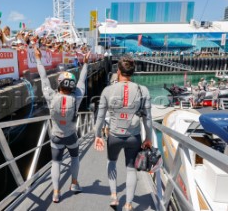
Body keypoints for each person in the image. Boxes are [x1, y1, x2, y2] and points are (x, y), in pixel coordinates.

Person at [94, 55, 152, 210]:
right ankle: (128, 204)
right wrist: (149, 138)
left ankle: (114, 196)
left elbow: (100, 117)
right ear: (133, 72)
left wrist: (97, 136)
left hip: (114, 135)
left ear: (118, 71)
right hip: (134, 136)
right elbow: (148, 119)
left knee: (111, 162)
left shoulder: (107, 90)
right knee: (131, 169)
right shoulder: (143, 90)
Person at [34, 46, 90, 203]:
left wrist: (38, 58)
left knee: (56, 163)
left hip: (56, 136)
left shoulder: (51, 96)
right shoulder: (77, 97)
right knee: (74, 158)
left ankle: (56, 192)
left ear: (59, 84)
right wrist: (85, 63)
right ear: (71, 86)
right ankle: (74, 183)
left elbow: (44, 78)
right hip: (71, 136)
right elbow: (82, 80)